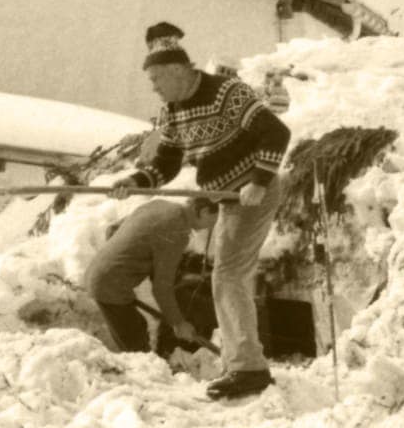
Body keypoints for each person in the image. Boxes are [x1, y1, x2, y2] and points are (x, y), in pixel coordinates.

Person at [115, 23, 290, 400]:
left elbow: (277, 133)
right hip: (226, 197)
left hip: (253, 193)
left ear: (179, 71)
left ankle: (249, 369)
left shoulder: (227, 93)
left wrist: (259, 180)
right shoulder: (172, 112)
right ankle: (242, 364)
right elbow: (166, 164)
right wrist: (135, 181)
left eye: (157, 77)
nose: (153, 86)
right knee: (224, 277)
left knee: (228, 276)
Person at [85, 196, 218, 355]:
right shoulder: (177, 231)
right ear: (203, 212)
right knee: (135, 347)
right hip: (109, 286)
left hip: (99, 273)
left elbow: (112, 230)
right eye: (213, 219)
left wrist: (119, 262)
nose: (212, 226)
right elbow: (161, 288)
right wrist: (179, 323)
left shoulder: (160, 205)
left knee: (137, 325)